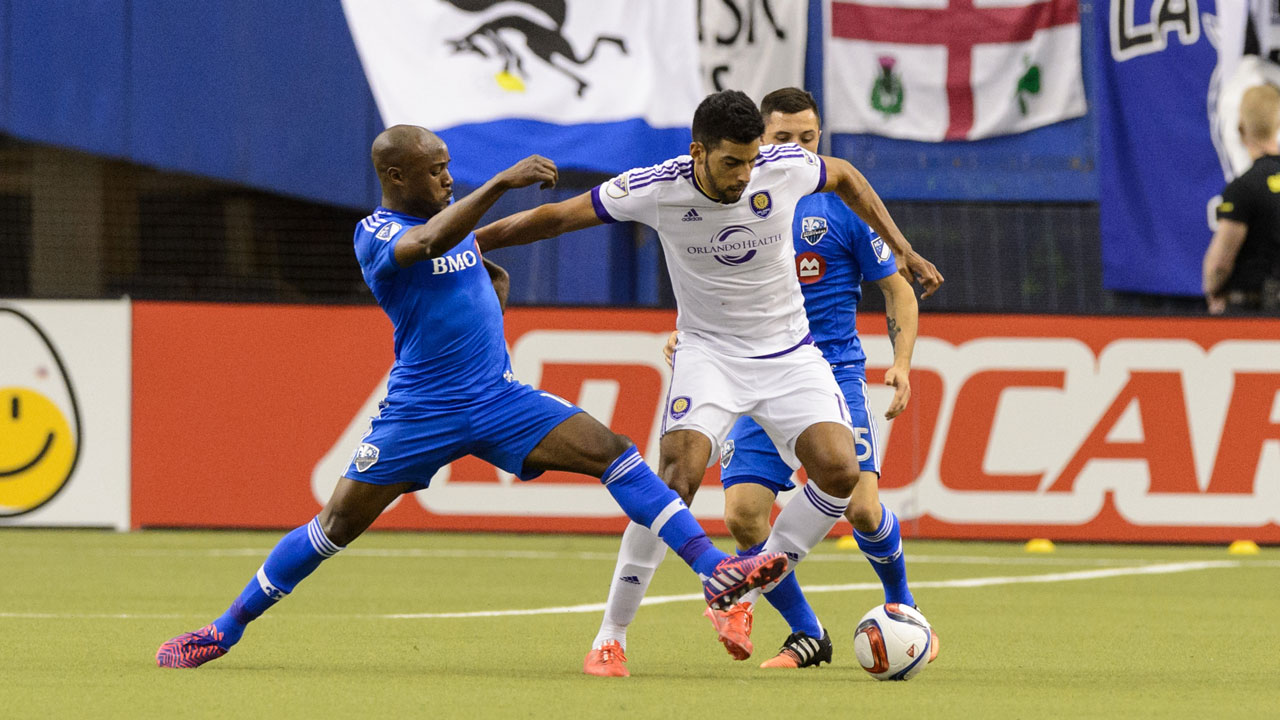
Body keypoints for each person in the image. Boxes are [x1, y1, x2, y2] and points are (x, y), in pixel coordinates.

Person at [154, 125, 787, 669]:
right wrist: (503, 182)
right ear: (396, 175)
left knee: (613, 450)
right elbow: (427, 245)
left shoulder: (453, 228)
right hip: (420, 412)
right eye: (436, 172)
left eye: (451, 168)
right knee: (335, 527)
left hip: (496, 397)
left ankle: (714, 571)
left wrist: (489, 314)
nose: (449, 180)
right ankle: (224, 629)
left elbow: (485, 273)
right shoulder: (375, 232)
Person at [473, 90, 943, 677]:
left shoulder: (782, 168)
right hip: (709, 356)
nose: (745, 176)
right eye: (731, 164)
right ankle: (611, 636)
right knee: (675, 481)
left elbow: (845, 176)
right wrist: (469, 241)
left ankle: (749, 573)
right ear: (698, 152)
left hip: (791, 354)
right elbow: (553, 218)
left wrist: (903, 249)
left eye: (751, 161)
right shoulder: (654, 187)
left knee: (843, 474)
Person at [649, 87, 936, 669]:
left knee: (860, 506)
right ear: (760, 140)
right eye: (783, 139)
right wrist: (695, 337)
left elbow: (898, 289)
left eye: (808, 138)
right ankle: (808, 634)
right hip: (746, 372)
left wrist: (901, 363)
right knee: (743, 515)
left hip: (825, 372)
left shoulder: (840, 212)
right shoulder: (723, 198)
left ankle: (902, 607)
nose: (795, 150)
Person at [1204, 84, 1280, 314]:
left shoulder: (1244, 188)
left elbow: (1220, 263)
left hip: (1252, 314)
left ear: (1241, 129)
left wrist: (1213, 289)